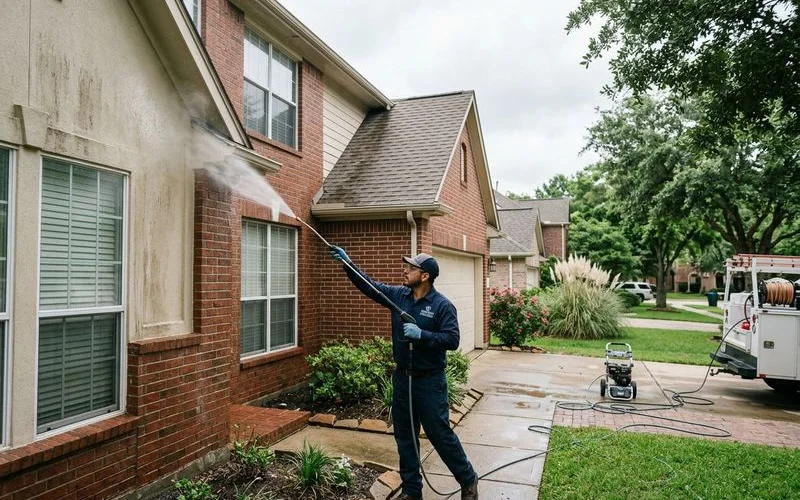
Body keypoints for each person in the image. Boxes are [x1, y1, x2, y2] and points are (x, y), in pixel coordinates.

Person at [329, 246, 479, 500]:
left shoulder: (443, 306)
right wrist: (348, 264)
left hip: (430, 381)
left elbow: (452, 340)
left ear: (424, 276)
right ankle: (411, 491)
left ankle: (467, 480)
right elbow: (370, 286)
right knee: (405, 437)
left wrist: (422, 335)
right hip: (403, 379)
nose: (405, 270)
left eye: (411, 268)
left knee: (439, 434)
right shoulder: (399, 295)